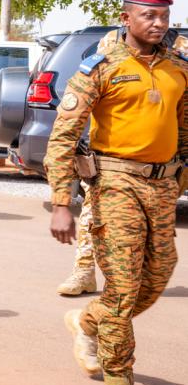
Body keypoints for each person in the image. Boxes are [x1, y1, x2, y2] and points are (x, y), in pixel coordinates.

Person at [46, 0, 187, 385]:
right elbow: (63, 136)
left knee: (157, 276)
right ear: (126, 18)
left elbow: (184, 129)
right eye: (149, 16)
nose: (159, 24)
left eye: (164, 16)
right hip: (115, 183)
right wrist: (61, 201)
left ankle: (88, 322)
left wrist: (180, 178)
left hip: (162, 187)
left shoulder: (179, 68)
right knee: (123, 287)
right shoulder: (101, 66)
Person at [57, 30, 187, 296]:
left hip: (162, 159)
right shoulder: (113, 40)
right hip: (112, 156)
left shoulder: (179, 48)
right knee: (94, 214)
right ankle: (84, 271)